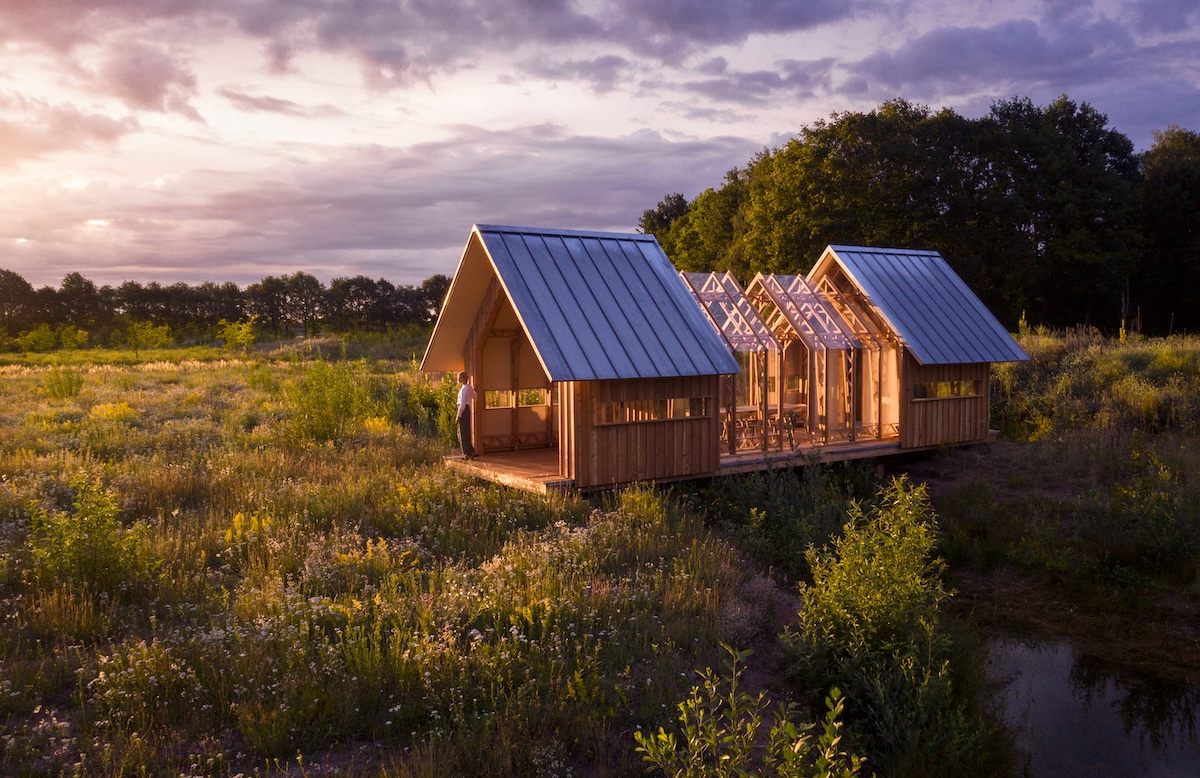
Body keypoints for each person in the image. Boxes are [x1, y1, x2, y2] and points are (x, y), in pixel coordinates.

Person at [456, 370, 477, 459]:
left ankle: (467, 453)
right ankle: (471, 450)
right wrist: (474, 390)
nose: (458, 379)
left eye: (460, 377)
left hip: (464, 410)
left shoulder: (464, 389)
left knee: (463, 431)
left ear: (464, 378)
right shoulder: (468, 388)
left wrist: (458, 415)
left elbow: (463, 404)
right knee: (466, 430)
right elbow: (475, 396)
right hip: (467, 410)